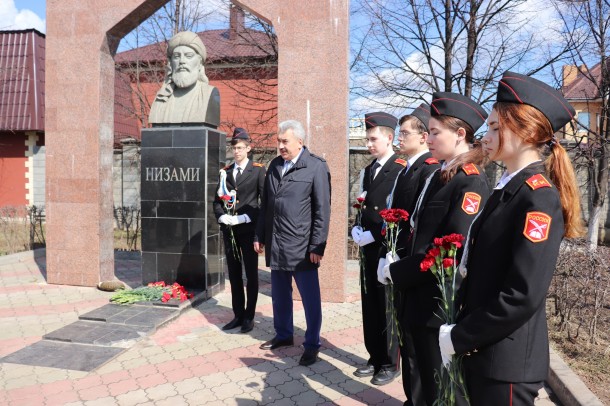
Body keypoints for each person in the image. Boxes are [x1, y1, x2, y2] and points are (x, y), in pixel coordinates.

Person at [438, 71, 584, 405]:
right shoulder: (509, 188)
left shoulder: (538, 198)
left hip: (505, 362)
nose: (484, 137)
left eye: (494, 128)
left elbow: (521, 295)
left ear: (525, 130)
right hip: (488, 352)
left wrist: (461, 336)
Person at [381, 92, 491, 405]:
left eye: (435, 132)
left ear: (460, 135)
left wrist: (398, 271)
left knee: (438, 385)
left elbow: (450, 252)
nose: (428, 138)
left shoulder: (470, 182)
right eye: (427, 131)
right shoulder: (443, 173)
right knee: (418, 376)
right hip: (417, 296)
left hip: (435, 303)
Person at [254, 120, 331, 367]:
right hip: (277, 243)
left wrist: (317, 245)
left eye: (285, 141)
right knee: (279, 295)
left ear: (300, 141)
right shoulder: (275, 166)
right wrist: (259, 235)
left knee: (310, 299)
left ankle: (312, 344)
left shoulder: (316, 167)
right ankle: (284, 334)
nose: (280, 146)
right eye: (279, 141)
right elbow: (265, 205)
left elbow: (322, 210)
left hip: (301, 247)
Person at [381, 104, 440, 405]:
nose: (400, 138)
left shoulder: (428, 169)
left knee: (416, 344)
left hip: (411, 266)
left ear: (423, 136)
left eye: (405, 133)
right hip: (400, 263)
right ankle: (411, 397)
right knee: (407, 337)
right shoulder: (409, 168)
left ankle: (417, 398)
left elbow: (417, 226)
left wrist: (398, 260)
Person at [351, 112, 405, 386]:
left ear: (389, 137)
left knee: (386, 306)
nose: (369, 143)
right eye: (367, 139)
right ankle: (374, 355)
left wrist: (375, 235)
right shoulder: (370, 169)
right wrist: (356, 228)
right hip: (367, 249)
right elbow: (362, 204)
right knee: (370, 304)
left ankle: (389, 362)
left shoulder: (400, 168)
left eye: (373, 139)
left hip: (386, 248)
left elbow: (399, 210)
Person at [214, 128, 266, 333]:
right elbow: (216, 201)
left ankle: (249, 317)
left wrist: (247, 217)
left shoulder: (258, 170)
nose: (237, 151)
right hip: (230, 232)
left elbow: (265, 202)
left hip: (248, 231)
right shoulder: (225, 172)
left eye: (240, 148)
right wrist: (221, 216)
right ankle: (238, 314)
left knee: (251, 275)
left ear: (248, 148)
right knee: (234, 274)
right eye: (234, 148)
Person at [149, 31, 220, 127]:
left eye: (188, 56)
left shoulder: (209, 94)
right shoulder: (160, 98)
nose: (182, 61)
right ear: (171, 63)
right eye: (177, 56)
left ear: (199, 62)